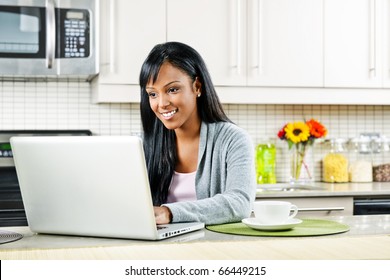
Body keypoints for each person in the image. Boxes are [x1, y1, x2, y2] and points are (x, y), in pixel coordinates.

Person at [139, 41, 256, 225]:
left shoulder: (233, 140)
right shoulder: (143, 144)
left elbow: (240, 203)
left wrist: (170, 213)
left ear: (197, 86)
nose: (161, 103)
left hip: (213, 247)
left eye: (172, 90)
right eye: (153, 94)